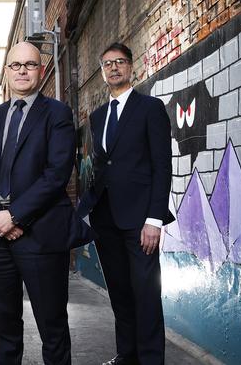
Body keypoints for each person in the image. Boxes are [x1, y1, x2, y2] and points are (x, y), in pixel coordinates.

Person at [0, 41, 76, 365]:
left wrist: (14, 216)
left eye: (30, 64)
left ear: (41, 71)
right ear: (6, 73)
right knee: (6, 333)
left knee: (53, 330)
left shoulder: (57, 114)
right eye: (16, 65)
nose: (23, 70)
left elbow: (57, 173)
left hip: (41, 237)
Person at [77, 43, 174, 365]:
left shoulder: (150, 108)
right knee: (119, 293)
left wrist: (155, 220)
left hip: (140, 220)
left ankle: (150, 360)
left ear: (132, 66)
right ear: (103, 71)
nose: (114, 67)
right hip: (106, 219)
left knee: (146, 294)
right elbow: (100, 167)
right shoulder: (98, 116)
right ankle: (127, 355)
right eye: (107, 63)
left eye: (119, 62)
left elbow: (162, 166)